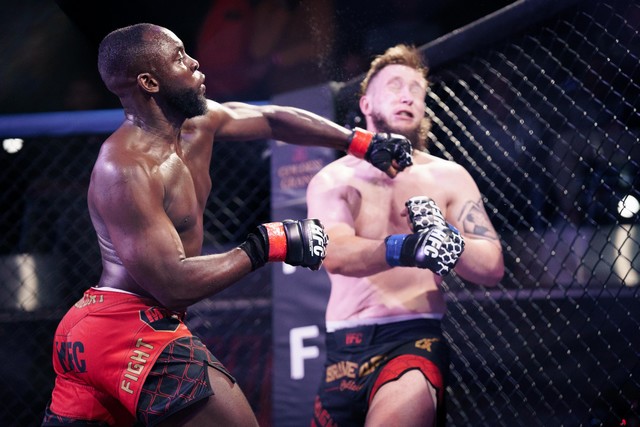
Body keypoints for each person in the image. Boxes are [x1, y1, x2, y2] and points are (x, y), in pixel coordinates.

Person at [41, 23, 413, 427]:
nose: (194, 62)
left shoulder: (199, 124)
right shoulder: (126, 166)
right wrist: (268, 245)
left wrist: (359, 143)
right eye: (179, 57)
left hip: (99, 331)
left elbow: (271, 119)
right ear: (149, 82)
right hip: (125, 326)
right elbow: (171, 283)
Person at [306, 44, 505, 426]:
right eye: (395, 85)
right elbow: (335, 255)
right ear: (366, 103)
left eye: (416, 90)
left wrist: (451, 242)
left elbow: (492, 266)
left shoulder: (448, 176)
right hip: (343, 346)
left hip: (413, 339)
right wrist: (409, 247)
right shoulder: (333, 178)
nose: (407, 96)